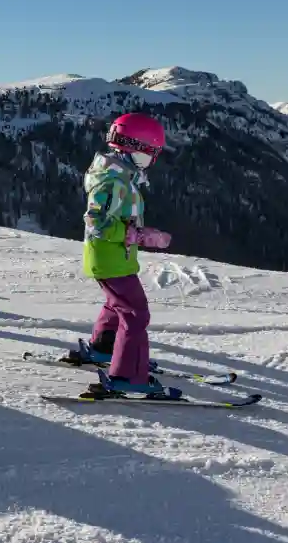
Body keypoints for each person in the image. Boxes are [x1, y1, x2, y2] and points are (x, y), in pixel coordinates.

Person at [67, 112, 173, 395]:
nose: (154, 159)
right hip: (110, 258)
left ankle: (105, 348)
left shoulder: (118, 176)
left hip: (111, 257)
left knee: (117, 304)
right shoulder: (112, 181)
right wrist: (138, 235)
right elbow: (96, 221)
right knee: (136, 314)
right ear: (137, 149)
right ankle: (128, 377)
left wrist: (137, 233)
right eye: (152, 152)